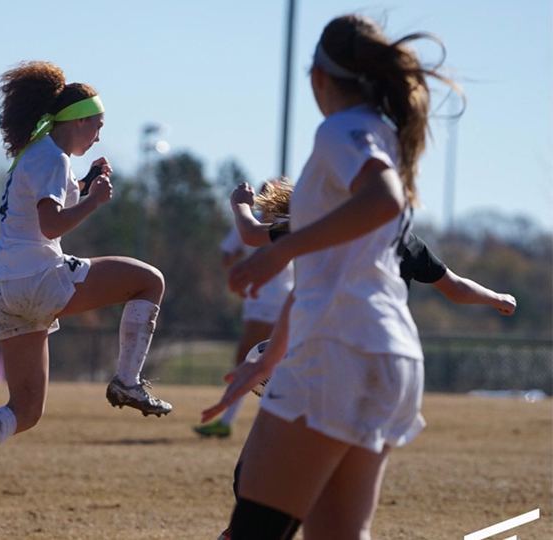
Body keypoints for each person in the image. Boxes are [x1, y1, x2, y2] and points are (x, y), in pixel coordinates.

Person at [202, 14, 465, 539]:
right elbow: (320, 283)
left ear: (320, 78)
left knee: (251, 529)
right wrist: (268, 362)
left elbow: (384, 200)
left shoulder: (342, 129)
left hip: (338, 353)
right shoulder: (386, 134)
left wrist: (283, 251)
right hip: (390, 355)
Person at [0, 61, 171, 519]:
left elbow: (51, 205)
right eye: (97, 122)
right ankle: (127, 383)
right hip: (38, 278)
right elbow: (51, 223)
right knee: (149, 281)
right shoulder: (54, 156)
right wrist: (94, 201)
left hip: (2, 288)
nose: (98, 132)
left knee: (26, 410)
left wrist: (87, 183)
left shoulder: (36, 152)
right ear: (75, 120)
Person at [230, 181, 516, 314]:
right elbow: (456, 288)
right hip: (390, 347)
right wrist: (496, 298)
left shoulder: (322, 226)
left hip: (332, 343)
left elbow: (251, 234)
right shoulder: (407, 241)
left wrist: (241, 204)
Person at [193, 181, 293, 439]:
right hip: (276, 302)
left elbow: (250, 233)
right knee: (270, 363)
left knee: (250, 362)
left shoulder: (284, 224)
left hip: (269, 303)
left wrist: (239, 205)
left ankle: (228, 421)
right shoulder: (296, 223)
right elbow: (232, 250)